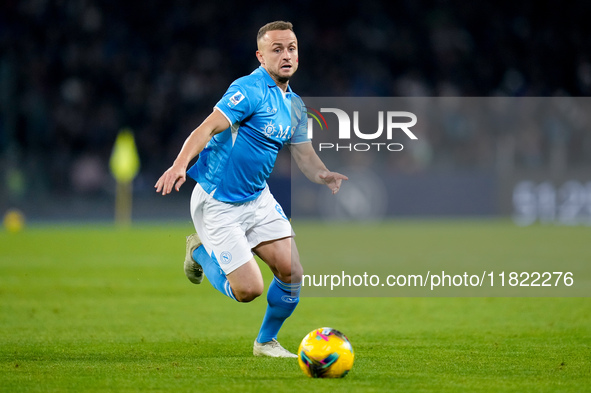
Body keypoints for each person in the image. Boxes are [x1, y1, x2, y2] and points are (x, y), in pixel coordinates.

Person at [154, 21, 347, 358]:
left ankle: (265, 343)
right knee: (248, 290)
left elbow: (303, 154)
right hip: (218, 202)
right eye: (277, 49)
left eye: (291, 49)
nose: (286, 55)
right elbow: (207, 127)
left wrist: (323, 175)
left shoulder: (296, 106)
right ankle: (198, 250)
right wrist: (180, 164)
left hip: (257, 199)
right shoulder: (248, 89)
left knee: (292, 273)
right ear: (261, 56)